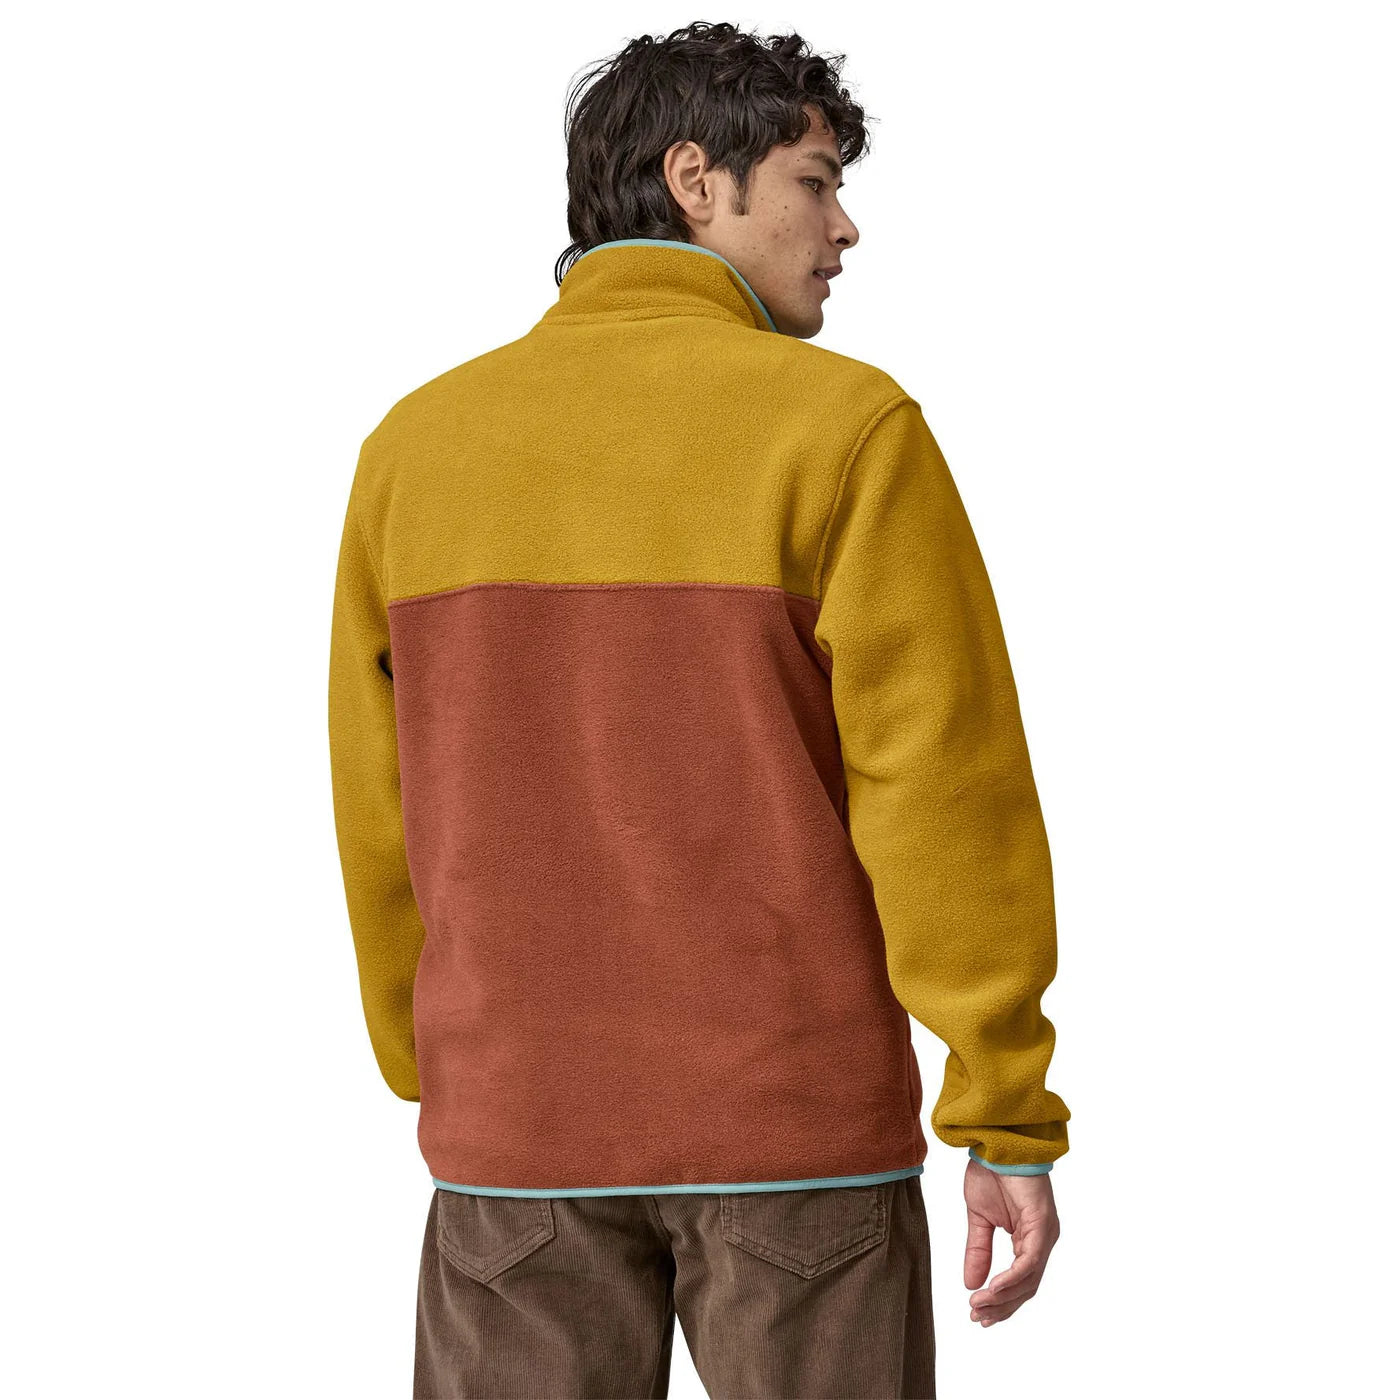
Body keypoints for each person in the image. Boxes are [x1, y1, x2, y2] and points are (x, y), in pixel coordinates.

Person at [328, 20, 1070, 1399]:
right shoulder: (845, 430)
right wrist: (1004, 1109)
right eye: (814, 182)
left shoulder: (413, 449)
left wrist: (448, 1068)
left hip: (514, 1140)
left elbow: (381, 813)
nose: (844, 228)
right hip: (795, 1143)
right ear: (695, 181)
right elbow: (942, 788)